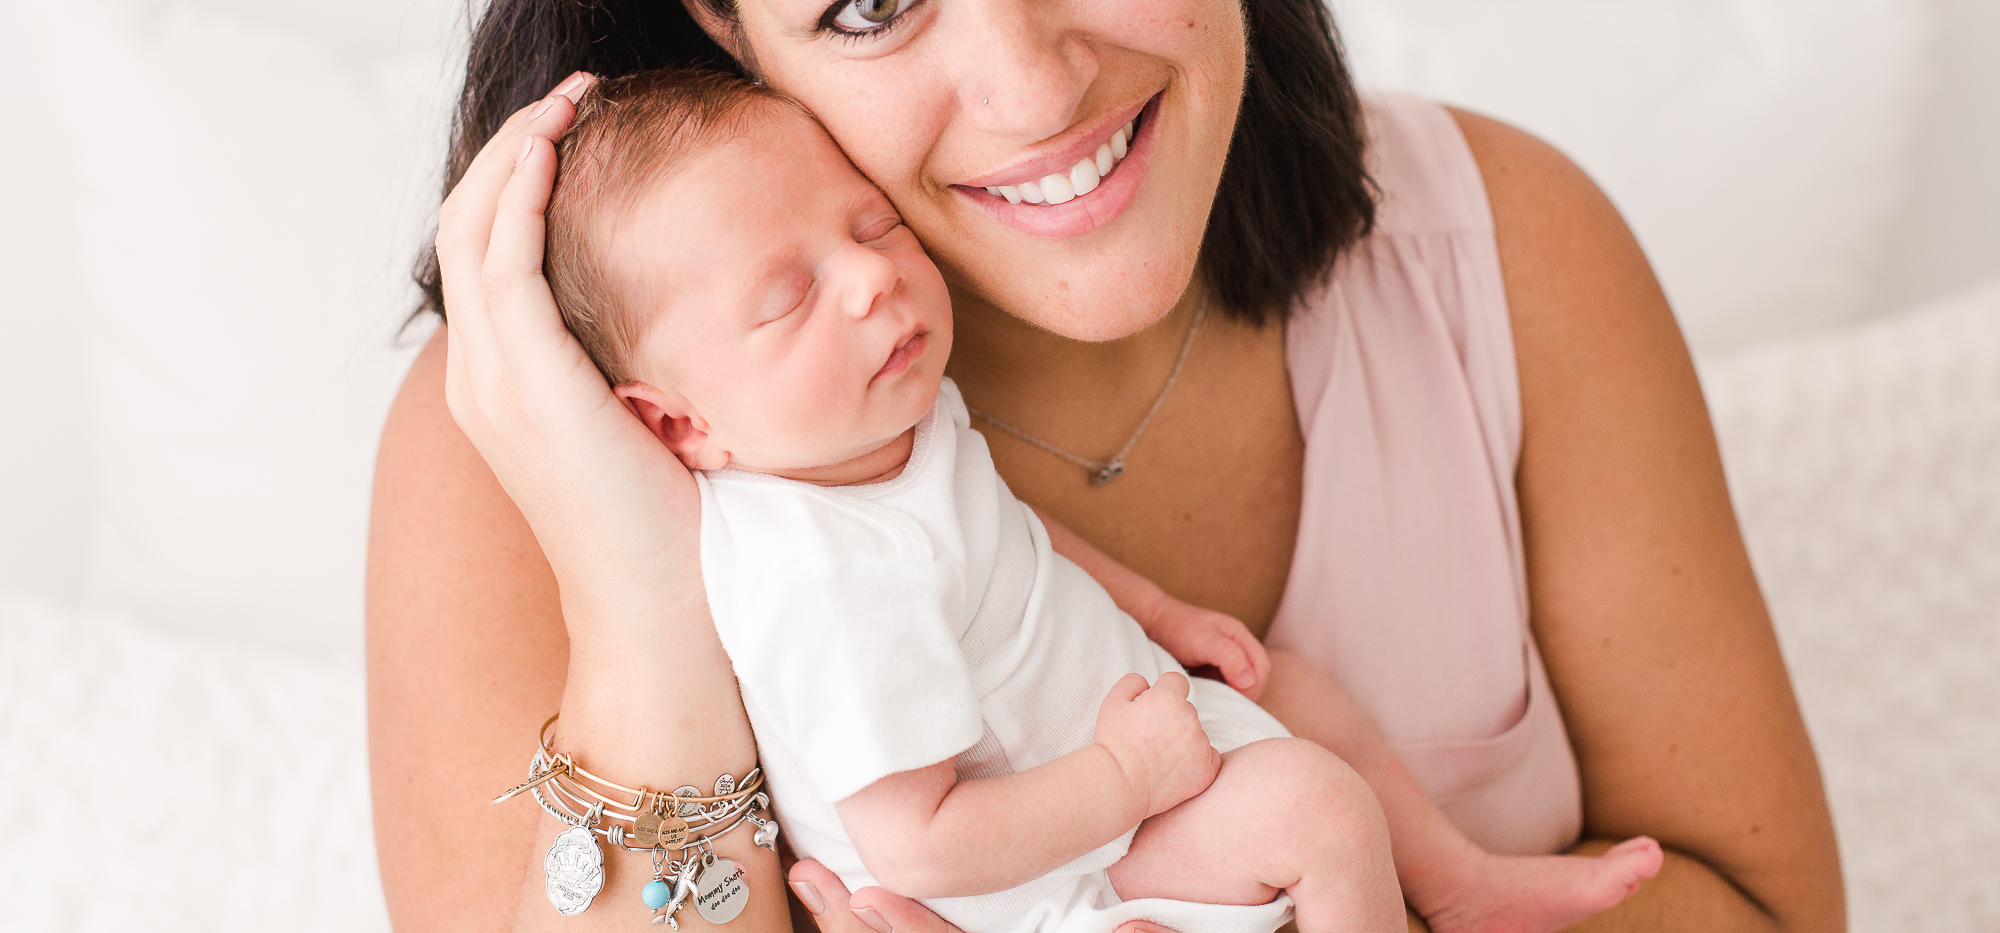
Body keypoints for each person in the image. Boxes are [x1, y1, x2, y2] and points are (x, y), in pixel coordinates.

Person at [366, 0, 1844, 931]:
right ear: (711, 15)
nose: (1032, 89)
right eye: (872, 5)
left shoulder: (1512, 252)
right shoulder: (518, 450)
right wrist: (644, 605)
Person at [526, 69, 1661, 933]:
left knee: (1302, 698)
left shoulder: (886, 429)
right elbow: (916, 844)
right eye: (788, 298)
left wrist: (1158, 613)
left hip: (1121, 756)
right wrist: (1127, 777)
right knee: (1313, 809)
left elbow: (1011, 536)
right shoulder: (826, 581)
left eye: (869, 226)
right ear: (676, 424)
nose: (873, 276)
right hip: (1042, 873)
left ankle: (1458, 886)